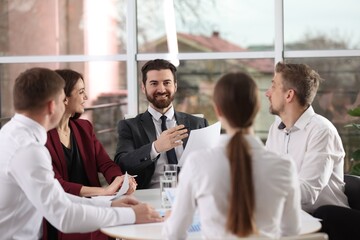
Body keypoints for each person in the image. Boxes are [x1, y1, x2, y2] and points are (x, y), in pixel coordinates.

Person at [0, 67, 161, 240]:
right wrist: (132, 215)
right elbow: (64, 215)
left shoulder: (10, 133)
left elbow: (57, 197)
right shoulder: (29, 149)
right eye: (62, 100)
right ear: (52, 106)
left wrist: (110, 205)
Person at [163, 72, 301, 239]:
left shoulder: (198, 163)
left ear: (218, 110)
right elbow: (291, 233)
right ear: (257, 108)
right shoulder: (284, 167)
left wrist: (171, 221)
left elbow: (174, 235)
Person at [44, 69, 137, 240]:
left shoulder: (84, 127)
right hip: (66, 213)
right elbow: (56, 185)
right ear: (63, 98)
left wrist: (120, 181)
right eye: (80, 92)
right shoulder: (43, 136)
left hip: (95, 206)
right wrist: (103, 192)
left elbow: (105, 164)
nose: (86, 97)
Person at [265, 62, 349, 214]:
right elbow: (266, 174)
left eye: (273, 86)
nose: (267, 93)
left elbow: (307, 193)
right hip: (290, 218)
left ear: (289, 95)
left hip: (326, 222)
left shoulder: (322, 131)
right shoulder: (275, 130)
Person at [114, 59, 209, 189]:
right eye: (154, 83)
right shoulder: (129, 126)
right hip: (150, 198)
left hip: (191, 195)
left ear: (175, 86)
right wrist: (156, 147)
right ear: (143, 87)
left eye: (166, 83)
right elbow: (122, 164)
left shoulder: (198, 123)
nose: (161, 89)